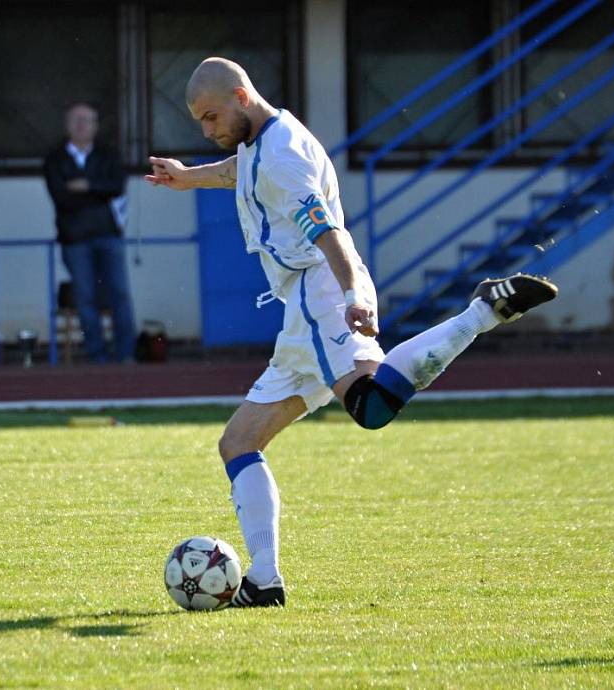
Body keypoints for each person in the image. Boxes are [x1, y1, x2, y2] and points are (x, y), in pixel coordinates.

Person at [145, 58, 558, 607]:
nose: (207, 130)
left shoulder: (285, 155)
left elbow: (326, 229)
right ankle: (264, 582)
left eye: (212, 116)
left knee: (371, 405)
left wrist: (353, 295)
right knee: (238, 443)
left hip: (320, 291)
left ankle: (480, 314)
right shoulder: (263, 141)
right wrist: (189, 176)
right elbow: (241, 172)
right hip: (302, 306)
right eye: (200, 121)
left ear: (242, 96)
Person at [44, 103, 137, 363]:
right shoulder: (55, 159)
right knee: (85, 298)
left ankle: (126, 354)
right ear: (67, 124)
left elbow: (117, 186)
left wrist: (85, 186)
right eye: (76, 120)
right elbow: (61, 197)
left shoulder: (108, 155)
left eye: (87, 120)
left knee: (119, 293)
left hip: (108, 234)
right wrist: (98, 193)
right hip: (74, 240)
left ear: (96, 125)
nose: (81, 125)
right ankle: (97, 357)